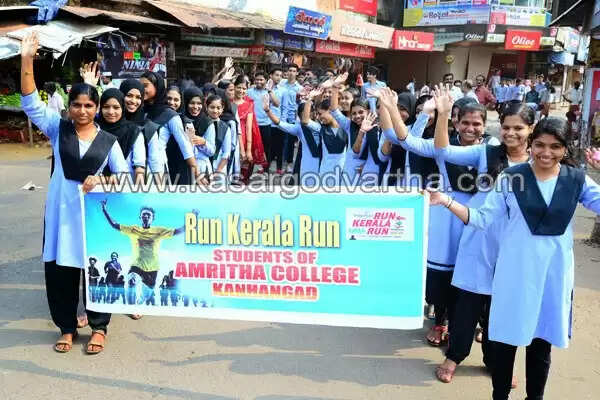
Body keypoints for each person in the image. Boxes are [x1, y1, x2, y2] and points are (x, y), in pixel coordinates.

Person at [428, 117, 600, 400]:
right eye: (540, 145)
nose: (546, 152)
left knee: (541, 344)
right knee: (505, 342)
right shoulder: (511, 178)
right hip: (515, 272)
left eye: (555, 146)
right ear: (531, 144)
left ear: (565, 149)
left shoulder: (576, 180)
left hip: (553, 275)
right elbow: (482, 218)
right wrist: (446, 201)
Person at [20, 32, 129, 354]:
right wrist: (27, 59)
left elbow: (124, 180)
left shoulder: (108, 142)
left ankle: (99, 327)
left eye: (88, 105)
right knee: (61, 272)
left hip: (93, 217)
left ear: (97, 108)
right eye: (77, 105)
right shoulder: (58, 130)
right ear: (69, 107)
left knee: (97, 271)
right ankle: (67, 327)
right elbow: (31, 102)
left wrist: (102, 182)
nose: (82, 111)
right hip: (60, 215)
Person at [433, 102, 534, 386]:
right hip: (479, 239)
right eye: (506, 127)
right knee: (467, 303)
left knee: (501, 306)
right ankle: (454, 356)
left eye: (518, 128)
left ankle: (496, 360)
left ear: (531, 129)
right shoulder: (486, 153)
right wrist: (443, 114)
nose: (510, 133)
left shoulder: (540, 160)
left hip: (514, 246)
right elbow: (442, 150)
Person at [100, 200, 196, 305]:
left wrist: (193, 217)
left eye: (148, 215)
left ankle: (139, 302)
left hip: (153, 268)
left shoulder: (159, 231)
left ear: (152, 218)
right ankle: (131, 308)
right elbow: (114, 224)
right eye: (143, 214)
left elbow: (179, 231)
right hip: (137, 265)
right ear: (140, 217)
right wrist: (104, 210)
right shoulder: (133, 229)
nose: (146, 216)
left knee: (145, 296)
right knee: (131, 281)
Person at [140, 71, 199, 185]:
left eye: (145, 85)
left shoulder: (170, 115)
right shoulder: (141, 111)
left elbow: (185, 146)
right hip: (137, 166)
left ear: (157, 87)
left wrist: (197, 174)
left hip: (156, 170)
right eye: (140, 85)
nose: (141, 89)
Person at [97, 88, 146, 182]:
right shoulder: (94, 128)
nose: (111, 112)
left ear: (122, 108)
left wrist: (138, 185)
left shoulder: (133, 131)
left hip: (124, 185)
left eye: (116, 107)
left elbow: (139, 165)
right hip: (94, 186)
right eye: (106, 107)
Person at [302, 94, 346, 186]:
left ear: (330, 110)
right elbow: (305, 121)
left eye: (320, 114)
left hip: (343, 173)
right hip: (325, 172)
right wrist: (309, 100)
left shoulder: (346, 126)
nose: (318, 117)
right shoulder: (321, 128)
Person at [232, 75, 267, 182]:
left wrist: (248, 150)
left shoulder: (248, 104)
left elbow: (248, 128)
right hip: (230, 136)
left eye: (244, 88)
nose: (241, 90)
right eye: (239, 87)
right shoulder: (228, 102)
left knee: (244, 169)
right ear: (234, 87)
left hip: (244, 138)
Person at [247, 70, 279, 173]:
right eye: (257, 79)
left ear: (266, 80)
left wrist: (270, 91)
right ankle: (248, 172)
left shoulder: (269, 92)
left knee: (266, 149)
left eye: (261, 80)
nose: (259, 82)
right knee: (251, 148)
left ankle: (265, 170)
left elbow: (277, 104)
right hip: (252, 124)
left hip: (266, 124)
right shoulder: (249, 91)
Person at [281, 64, 303, 173]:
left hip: (292, 118)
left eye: (294, 71)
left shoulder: (300, 88)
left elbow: (300, 103)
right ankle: (280, 163)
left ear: (297, 73)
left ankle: (288, 163)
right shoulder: (281, 84)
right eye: (290, 70)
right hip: (281, 116)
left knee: (289, 142)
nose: (291, 73)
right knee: (281, 141)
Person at [267, 67, 287, 175]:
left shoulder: (283, 90)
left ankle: (279, 167)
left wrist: (282, 123)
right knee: (267, 147)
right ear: (271, 75)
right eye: (276, 75)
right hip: (265, 122)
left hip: (278, 122)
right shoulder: (263, 88)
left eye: (280, 75)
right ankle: (265, 166)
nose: (278, 77)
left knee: (279, 146)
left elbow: (284, 107)